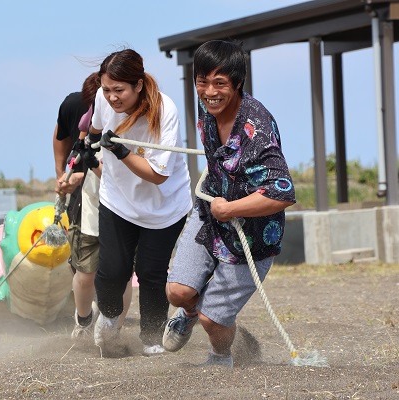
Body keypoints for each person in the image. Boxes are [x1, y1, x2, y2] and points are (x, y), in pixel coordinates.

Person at [162, 40, 296, 368]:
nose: (210, 91)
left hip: (252, 233)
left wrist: (232, 209)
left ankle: (220, 357)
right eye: (202, 82)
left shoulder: (257, 128)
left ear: (237, 84)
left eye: (220, 83)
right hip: (211, 213)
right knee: (177, 292)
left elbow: (282, 193)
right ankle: (188, 314)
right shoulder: (208, 115)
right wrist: (219, 207)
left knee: (214, 321)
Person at [86, 49, 192, 355]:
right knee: (113, 268)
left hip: (164, 206)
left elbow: (158, 175)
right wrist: (89, 143)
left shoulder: (164, 111)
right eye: (106, 89)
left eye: (119, 90)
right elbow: (94, 127)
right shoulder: (103, 100)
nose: (112, 97)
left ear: (138, 85)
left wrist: (120, 152)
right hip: (117, 198)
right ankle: (107, 321)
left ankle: (151, 340)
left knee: (151, 271)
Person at [53, 73, 132, 339]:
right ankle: (84, 319)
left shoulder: (133, 124)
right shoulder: (80, 114)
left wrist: (91, 166)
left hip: (124, 210)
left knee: (122, 275)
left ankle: (115, 330)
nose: (110, 99)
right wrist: (65, 176)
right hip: (91, 211)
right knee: (85, 273)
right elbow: (69, 147)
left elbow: (121, 176)